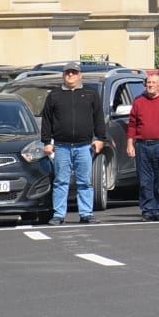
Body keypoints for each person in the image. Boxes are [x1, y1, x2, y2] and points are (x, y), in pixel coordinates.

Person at [41, 64, 106, 226]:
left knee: (84, 182)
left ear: (80, 75)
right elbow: (46, 120)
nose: (71, 75)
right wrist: (47, 142)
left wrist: (100, 139)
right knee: (61, 181)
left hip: (84, 146)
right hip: (62, 146)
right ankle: (59, 214)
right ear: (63, 75)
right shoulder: (54, 95)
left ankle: (86, 213)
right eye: (68, 73)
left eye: (74, 73)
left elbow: (98, 117)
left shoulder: (91, 94)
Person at [126, 72, 159, 222]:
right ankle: (147, 210)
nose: (150, 85)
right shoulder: (139, 102)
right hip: (142, 145)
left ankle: (158, 209)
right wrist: (130, 144)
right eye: (148, 83)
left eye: (153, 83)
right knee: (145, 180)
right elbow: (132, 125)